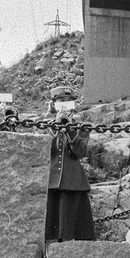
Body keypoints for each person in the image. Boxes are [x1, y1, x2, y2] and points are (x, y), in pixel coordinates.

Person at [45, 86, 96, 243]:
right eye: (61, 101)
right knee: (50, 228)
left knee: (74, 229)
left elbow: (80, 152)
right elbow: (46, 150)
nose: (65, 105)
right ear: (53, 105)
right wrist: (55, 125)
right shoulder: (44, 125)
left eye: (68, 102)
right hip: (50, 181)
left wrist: (70, 130)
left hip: (73, 181)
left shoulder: (81, 127)